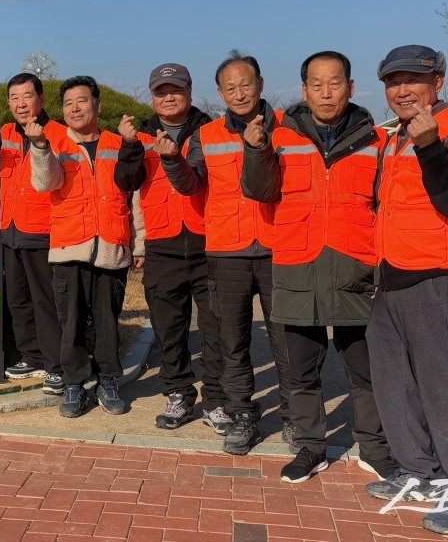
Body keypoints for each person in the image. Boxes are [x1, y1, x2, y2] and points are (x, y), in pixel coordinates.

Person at [240, 51, 395, 483]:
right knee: (301, 372)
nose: (326, 93)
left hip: (356, 271)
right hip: (297, 270)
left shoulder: (374, 142)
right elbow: (260, 191)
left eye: (335, 83)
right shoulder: (280, 135)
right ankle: (311, 448)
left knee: (367, 371)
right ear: (304, 90)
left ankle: (374, 448)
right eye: (317, 84)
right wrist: (255, 151)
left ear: (351, 86)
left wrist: (384, 273)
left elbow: (385, 208)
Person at [363, 45, 448, 536]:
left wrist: (431, 147)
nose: (402, 90)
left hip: (442, 276)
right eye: (393, 81)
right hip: (396, 275)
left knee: (444, 387)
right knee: (393, 377)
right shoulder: (395, 137)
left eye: (413, 80)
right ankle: (422, 472)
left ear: (438, 81)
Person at [161, 51, 294, 456]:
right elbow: (191, 185)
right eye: (230, 87)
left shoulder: (290, 127)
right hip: (225, 251)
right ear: (219, 92)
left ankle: (293, 416)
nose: (239, 93)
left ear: (261, 85)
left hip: (277, 247)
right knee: (231, 342)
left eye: (246, 84)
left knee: (286, 341)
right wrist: (171, 161)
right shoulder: (208, 134)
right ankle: (242, 415)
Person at [115, 63, 229, 432]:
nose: (168, 97)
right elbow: (126, 182)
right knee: (168, 328)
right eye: (161, 91)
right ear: (152, 97)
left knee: (216, 328)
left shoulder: (213, 131)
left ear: (190, 92)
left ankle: (215, 399)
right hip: (162, 243)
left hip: (208, 240)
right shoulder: (140, 135)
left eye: (175, 89)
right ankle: (178, 393)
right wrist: (131, 147)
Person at [29, 76, 133, 417]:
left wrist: (141, 244)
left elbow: (138, 197)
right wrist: (41, 148)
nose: (75, 108)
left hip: (111, 247)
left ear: (97, 106)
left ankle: (108, 380)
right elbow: (45, 183)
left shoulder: (120, 144)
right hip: (69, 247)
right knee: (70, 322)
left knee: (108, 322)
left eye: (82, 101)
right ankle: (74, 383)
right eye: (68, 103)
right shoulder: (54, 142)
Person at [0, 73, 67, 394]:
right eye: (14, 98)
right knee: (18, 300)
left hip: (43, 230)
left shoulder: (60, 134)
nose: (21, 104)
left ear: (42, 99)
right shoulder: (7, 132)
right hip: (10, 230)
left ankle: (56, 366)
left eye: (27, 96)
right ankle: (31, 356)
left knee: (46, 301)